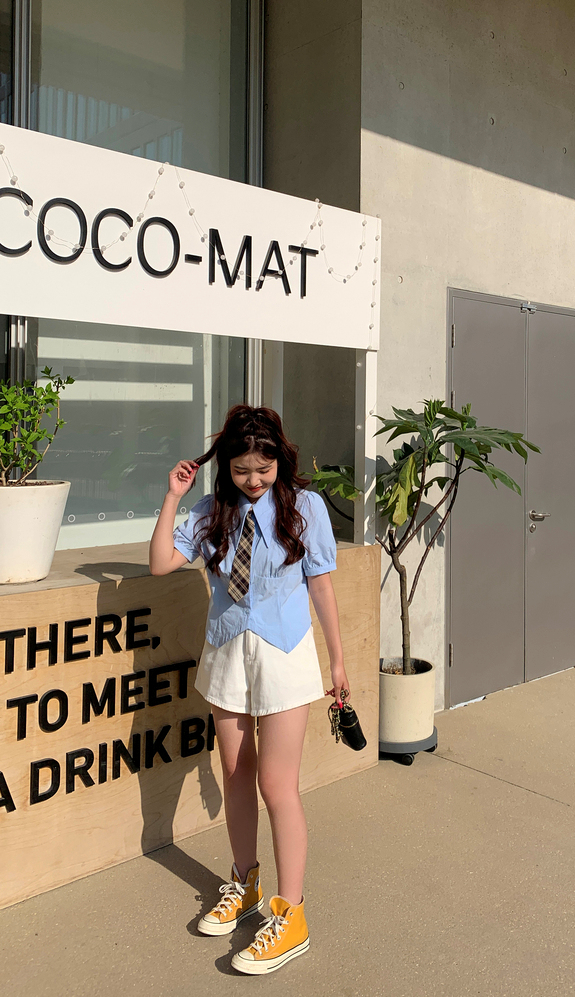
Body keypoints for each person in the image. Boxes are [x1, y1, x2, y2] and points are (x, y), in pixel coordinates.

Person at [149, 404, 349, 976]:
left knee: (276, 785)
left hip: (284, 654)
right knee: (237, 774)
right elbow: (161, 563)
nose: (254, 480)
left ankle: (292, 916)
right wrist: (173, 496)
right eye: (241, 470)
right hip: (226, 652)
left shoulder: (304, 507)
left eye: (263, 469)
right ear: (227, 468)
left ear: (279, 460)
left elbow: (321, 585)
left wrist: (338, 660)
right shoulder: (212, 511)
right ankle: (244, 883)